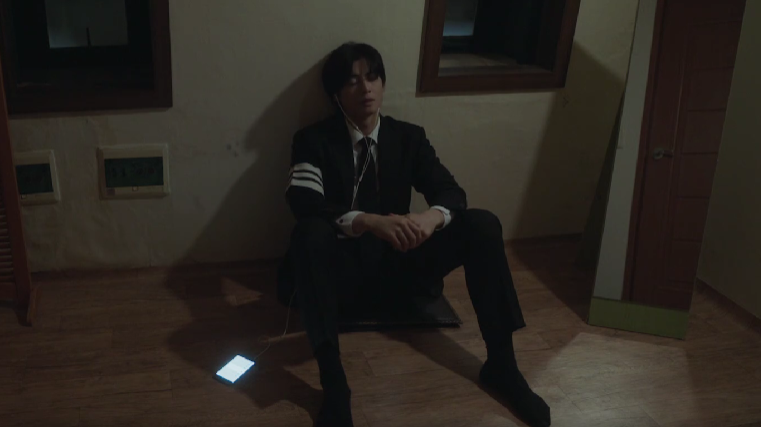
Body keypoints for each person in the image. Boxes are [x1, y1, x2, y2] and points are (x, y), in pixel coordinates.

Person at [278, 42, 550, 427]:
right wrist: (369, 221)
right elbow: (304, 202)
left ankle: (502, 365)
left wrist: (430, 219)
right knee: (308, 233)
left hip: (400, 266)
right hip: (342, 276)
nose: (366, 88)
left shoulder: (408, 138)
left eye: (373, 77)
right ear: (336, 93)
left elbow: (451, 193)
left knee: (482, 224)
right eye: (352, 81)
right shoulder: (313, 141)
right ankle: (334, 383)